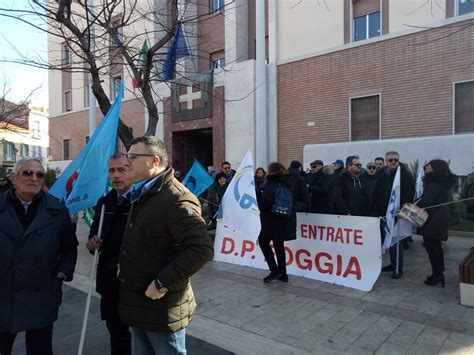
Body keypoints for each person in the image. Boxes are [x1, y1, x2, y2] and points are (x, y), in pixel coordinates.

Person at [118, 136, 214, 354]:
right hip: (139, 305)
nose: (126, 162)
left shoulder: (176, 199)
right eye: (126, 156)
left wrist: (162, 283)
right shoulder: (144, 193)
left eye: (132, 156)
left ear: (153, 161)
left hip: (162, 309)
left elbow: (202, 250)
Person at [0, 157, 78, 355]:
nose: (34, 178)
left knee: (40, 349)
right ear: (14, 178)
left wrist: (62, 273)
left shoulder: (57, 210)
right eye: (28, 173)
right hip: (4, 294)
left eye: (39, 174)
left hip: (42, 295)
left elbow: (69, 247)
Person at [86, 156, 132, 355]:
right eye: (112, 170)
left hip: (136, 281)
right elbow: (93, 236)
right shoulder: (105, 202)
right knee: (117, 332)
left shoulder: (142, 201)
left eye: (121, 169)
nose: (116, 175)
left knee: (144, 335)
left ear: (132, 171)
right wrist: (92, 243)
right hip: (110, 279)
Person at [373, 151, 415, 279]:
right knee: (387, 239)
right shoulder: (380, 173)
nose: (393, 162)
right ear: (386, 161)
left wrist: (402, 209)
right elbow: (376, 191)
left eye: (395, 160)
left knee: (395, 241)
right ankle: (392, 263)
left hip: (396, 212)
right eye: (390, 160)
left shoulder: (405, 174)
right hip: (382, 212)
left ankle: (398, 267)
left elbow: (409, 193)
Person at [417, 159, 456, 287]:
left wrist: (414, 205)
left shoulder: (435, 183)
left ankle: (437, 275)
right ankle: (438, 273)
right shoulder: (443, 182)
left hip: (433, 219)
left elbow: (426, 201)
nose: (426, 167)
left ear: (436, 168)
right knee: (436, 247)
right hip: (439, 217)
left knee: (432, 247)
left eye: (429, 165)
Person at [258, 162, 294, 283]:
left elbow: (267, 202)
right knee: (279, 245)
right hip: (284, 219)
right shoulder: (288, 182)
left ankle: (274, 270)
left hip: (271, 219)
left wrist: (260, 207)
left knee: (263, 242)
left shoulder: (271, 183)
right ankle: (283, 274)